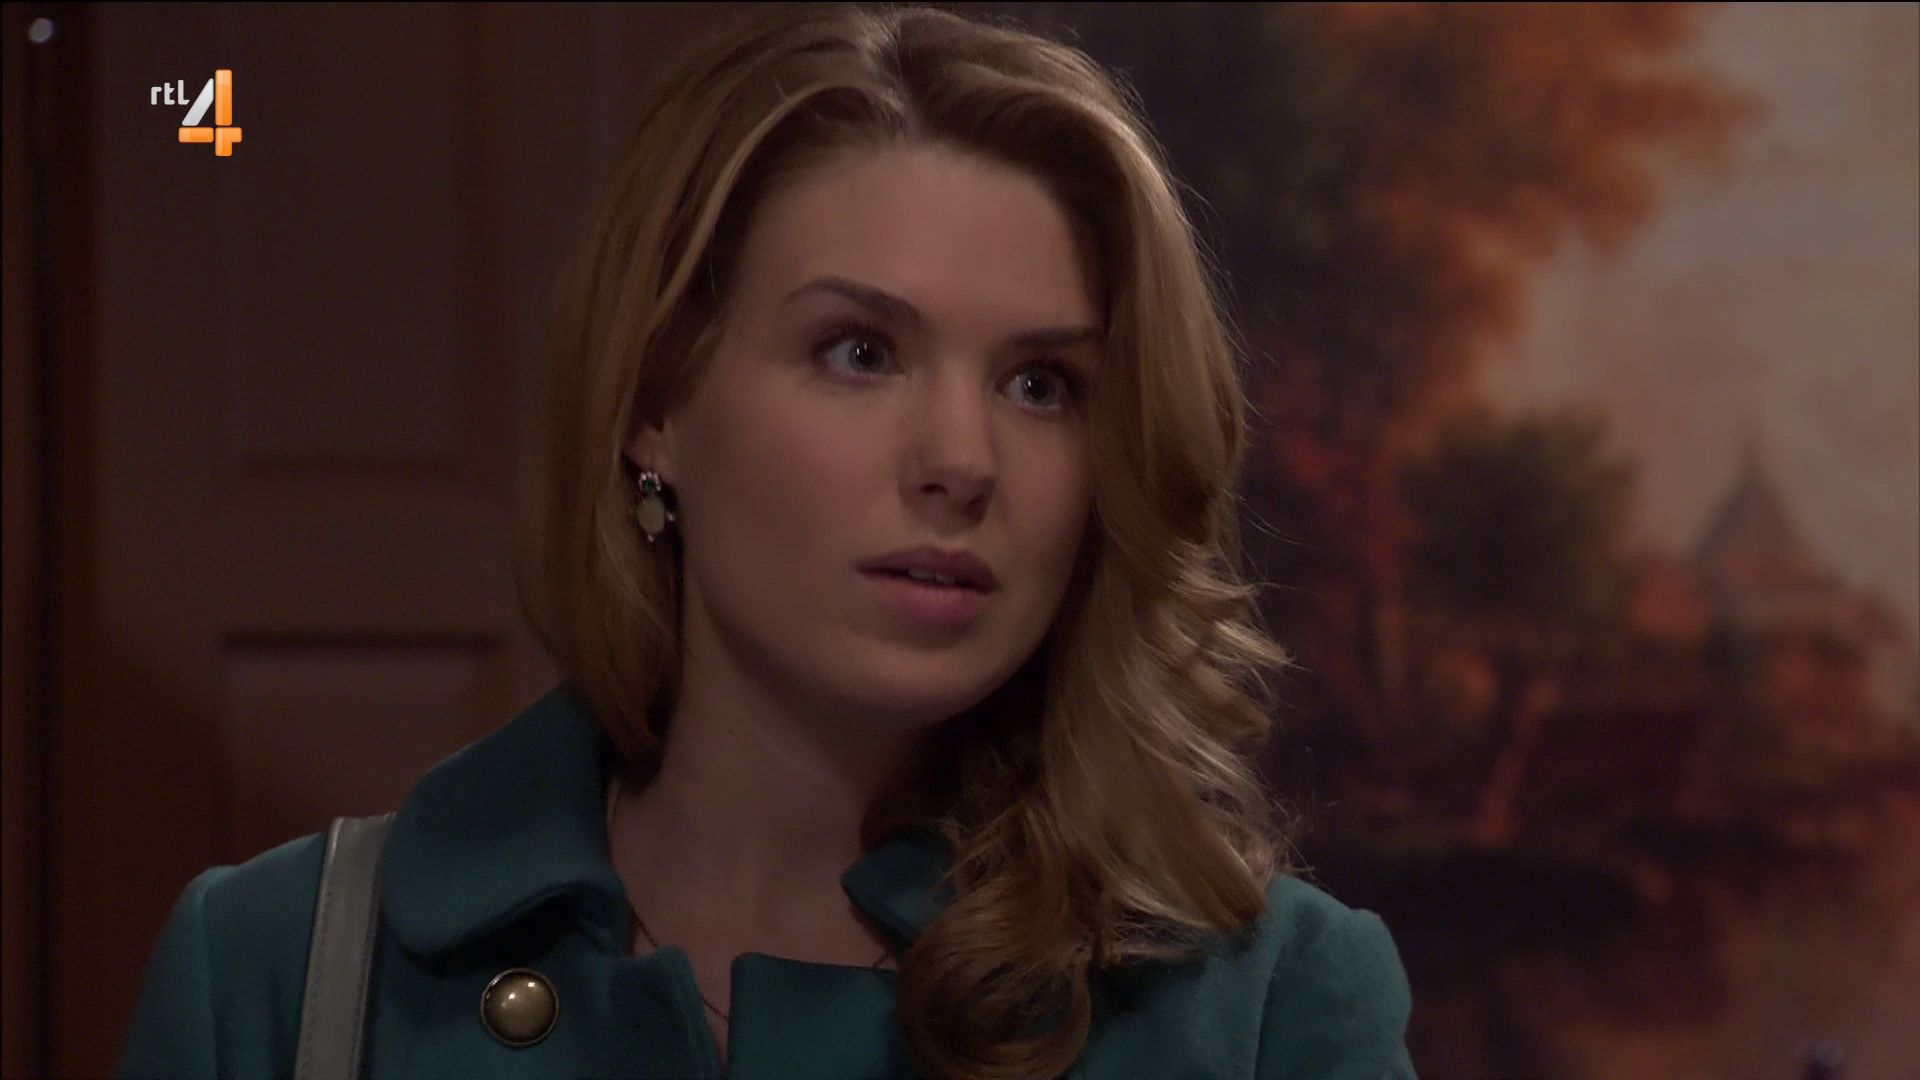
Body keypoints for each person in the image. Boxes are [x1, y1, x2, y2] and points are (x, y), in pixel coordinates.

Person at [117, 4, 1416, 1077]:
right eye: (860, 352)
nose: (963, 461)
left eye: (1041, 385)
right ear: (656, 402)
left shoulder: (1265, 1007)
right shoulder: (279, 971)